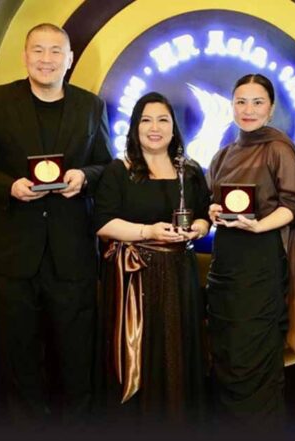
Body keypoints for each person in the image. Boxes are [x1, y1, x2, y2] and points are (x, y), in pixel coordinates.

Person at [0, 23, 112, 426]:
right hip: (16, 255)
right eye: (38, 50)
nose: (47, 59)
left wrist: (84, 177)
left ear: (70, 59)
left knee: (77, 358)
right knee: (22, 358)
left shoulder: (90, 106)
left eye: (55, 51)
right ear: (25, 55)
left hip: (73, 254)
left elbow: (106, 164)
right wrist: (9, 187)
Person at [206, 73, 295, 424]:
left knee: (254, 353)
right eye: (241, 102)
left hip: (262, 262)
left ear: (270, 109)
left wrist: (258, 225)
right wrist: (212, 211)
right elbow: (213, 202)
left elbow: (292, 206)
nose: (248, 109)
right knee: (226, 351)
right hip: (224, 265)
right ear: (232, 106)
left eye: (257, 102)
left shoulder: (279, 148)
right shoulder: (223, 154)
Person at [93, 92, 211, 424]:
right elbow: (102, 224)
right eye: (146, 120)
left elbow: (204, 215)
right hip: (135, 277)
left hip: (180, 275)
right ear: (135, 127)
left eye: (163, 120)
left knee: (177, 352)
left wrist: (198, 229)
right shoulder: (120, 170)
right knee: (141, 355)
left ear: (174, 128)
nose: (154, 128)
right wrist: (148, 232)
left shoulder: (190, 171)